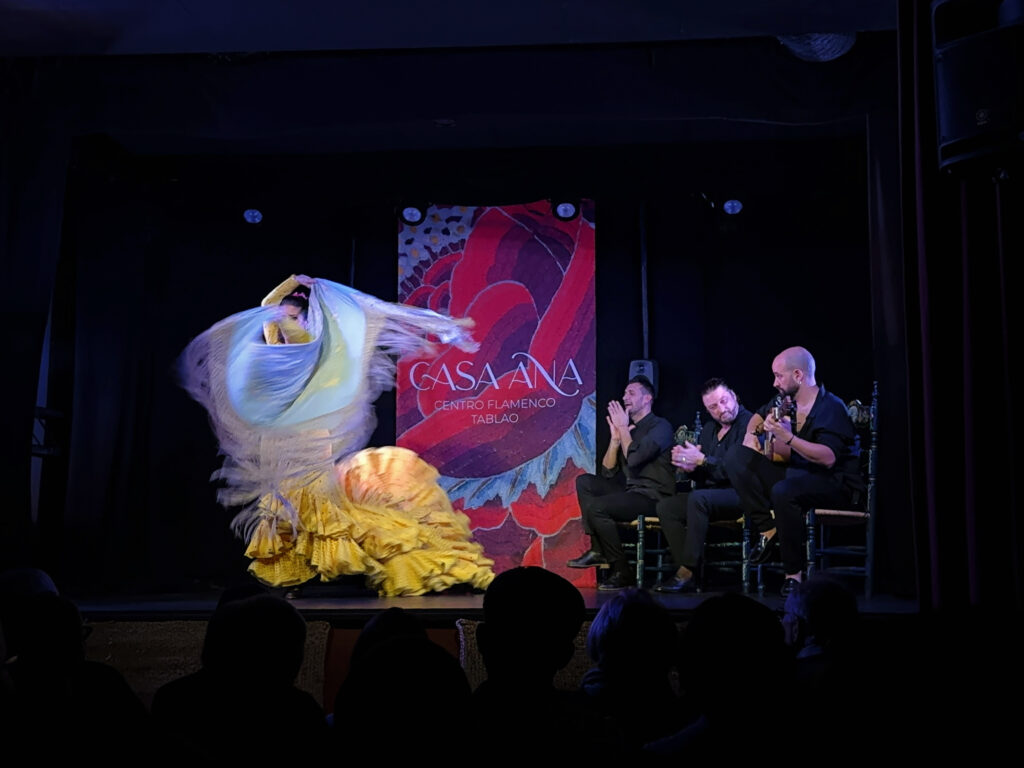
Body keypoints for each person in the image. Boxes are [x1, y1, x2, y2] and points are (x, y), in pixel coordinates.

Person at [178, 274, 496, 597]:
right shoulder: (278, 341)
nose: (282, 318)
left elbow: (287, 326)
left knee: (313, 502)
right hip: (284, 432)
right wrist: (292, 283)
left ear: (302, 317)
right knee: (287, 503)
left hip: (309, 432)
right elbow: (266, 305)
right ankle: (293, 574)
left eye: (293, 314)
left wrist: (289, 311)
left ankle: (352, 565)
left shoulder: (308, 343)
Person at [723, 346, 863, 597]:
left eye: (779, 376)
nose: (774, 382)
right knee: (735, 457)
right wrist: (750, 435)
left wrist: (787, 438)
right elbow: (757, 415)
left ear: (798, 375)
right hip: (798, 474)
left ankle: (793, 576)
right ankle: (768, 527)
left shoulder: (830, 406)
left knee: (784, 490)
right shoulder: (785, 401)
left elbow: (828, 458)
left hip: (834, 482)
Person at [567, 375, 675, 590]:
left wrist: (624, 430)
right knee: (585, 482)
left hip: (653, 496)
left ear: (647, 399)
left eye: (631, 393)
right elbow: (608, 471)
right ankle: (598, 550)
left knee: (598, 507)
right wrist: (615, 440)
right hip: (631, 491)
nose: (625, 397)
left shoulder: (660, 427)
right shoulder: (627, 429)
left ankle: (621, 571)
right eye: (624, 393)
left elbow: (634, 460)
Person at [653, 378, 754, 593]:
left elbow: (737, 469)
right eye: (713, 407)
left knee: (699, 499)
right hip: (712, 494)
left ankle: (687, 570)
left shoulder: (750, 423)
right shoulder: (709, 430)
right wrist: (690, 465)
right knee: (667, 507)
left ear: (734, 396)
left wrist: (702, 461)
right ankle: (691, 572)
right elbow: (704, 472)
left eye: (724, 401)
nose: (722, 409)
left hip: (741, 493)